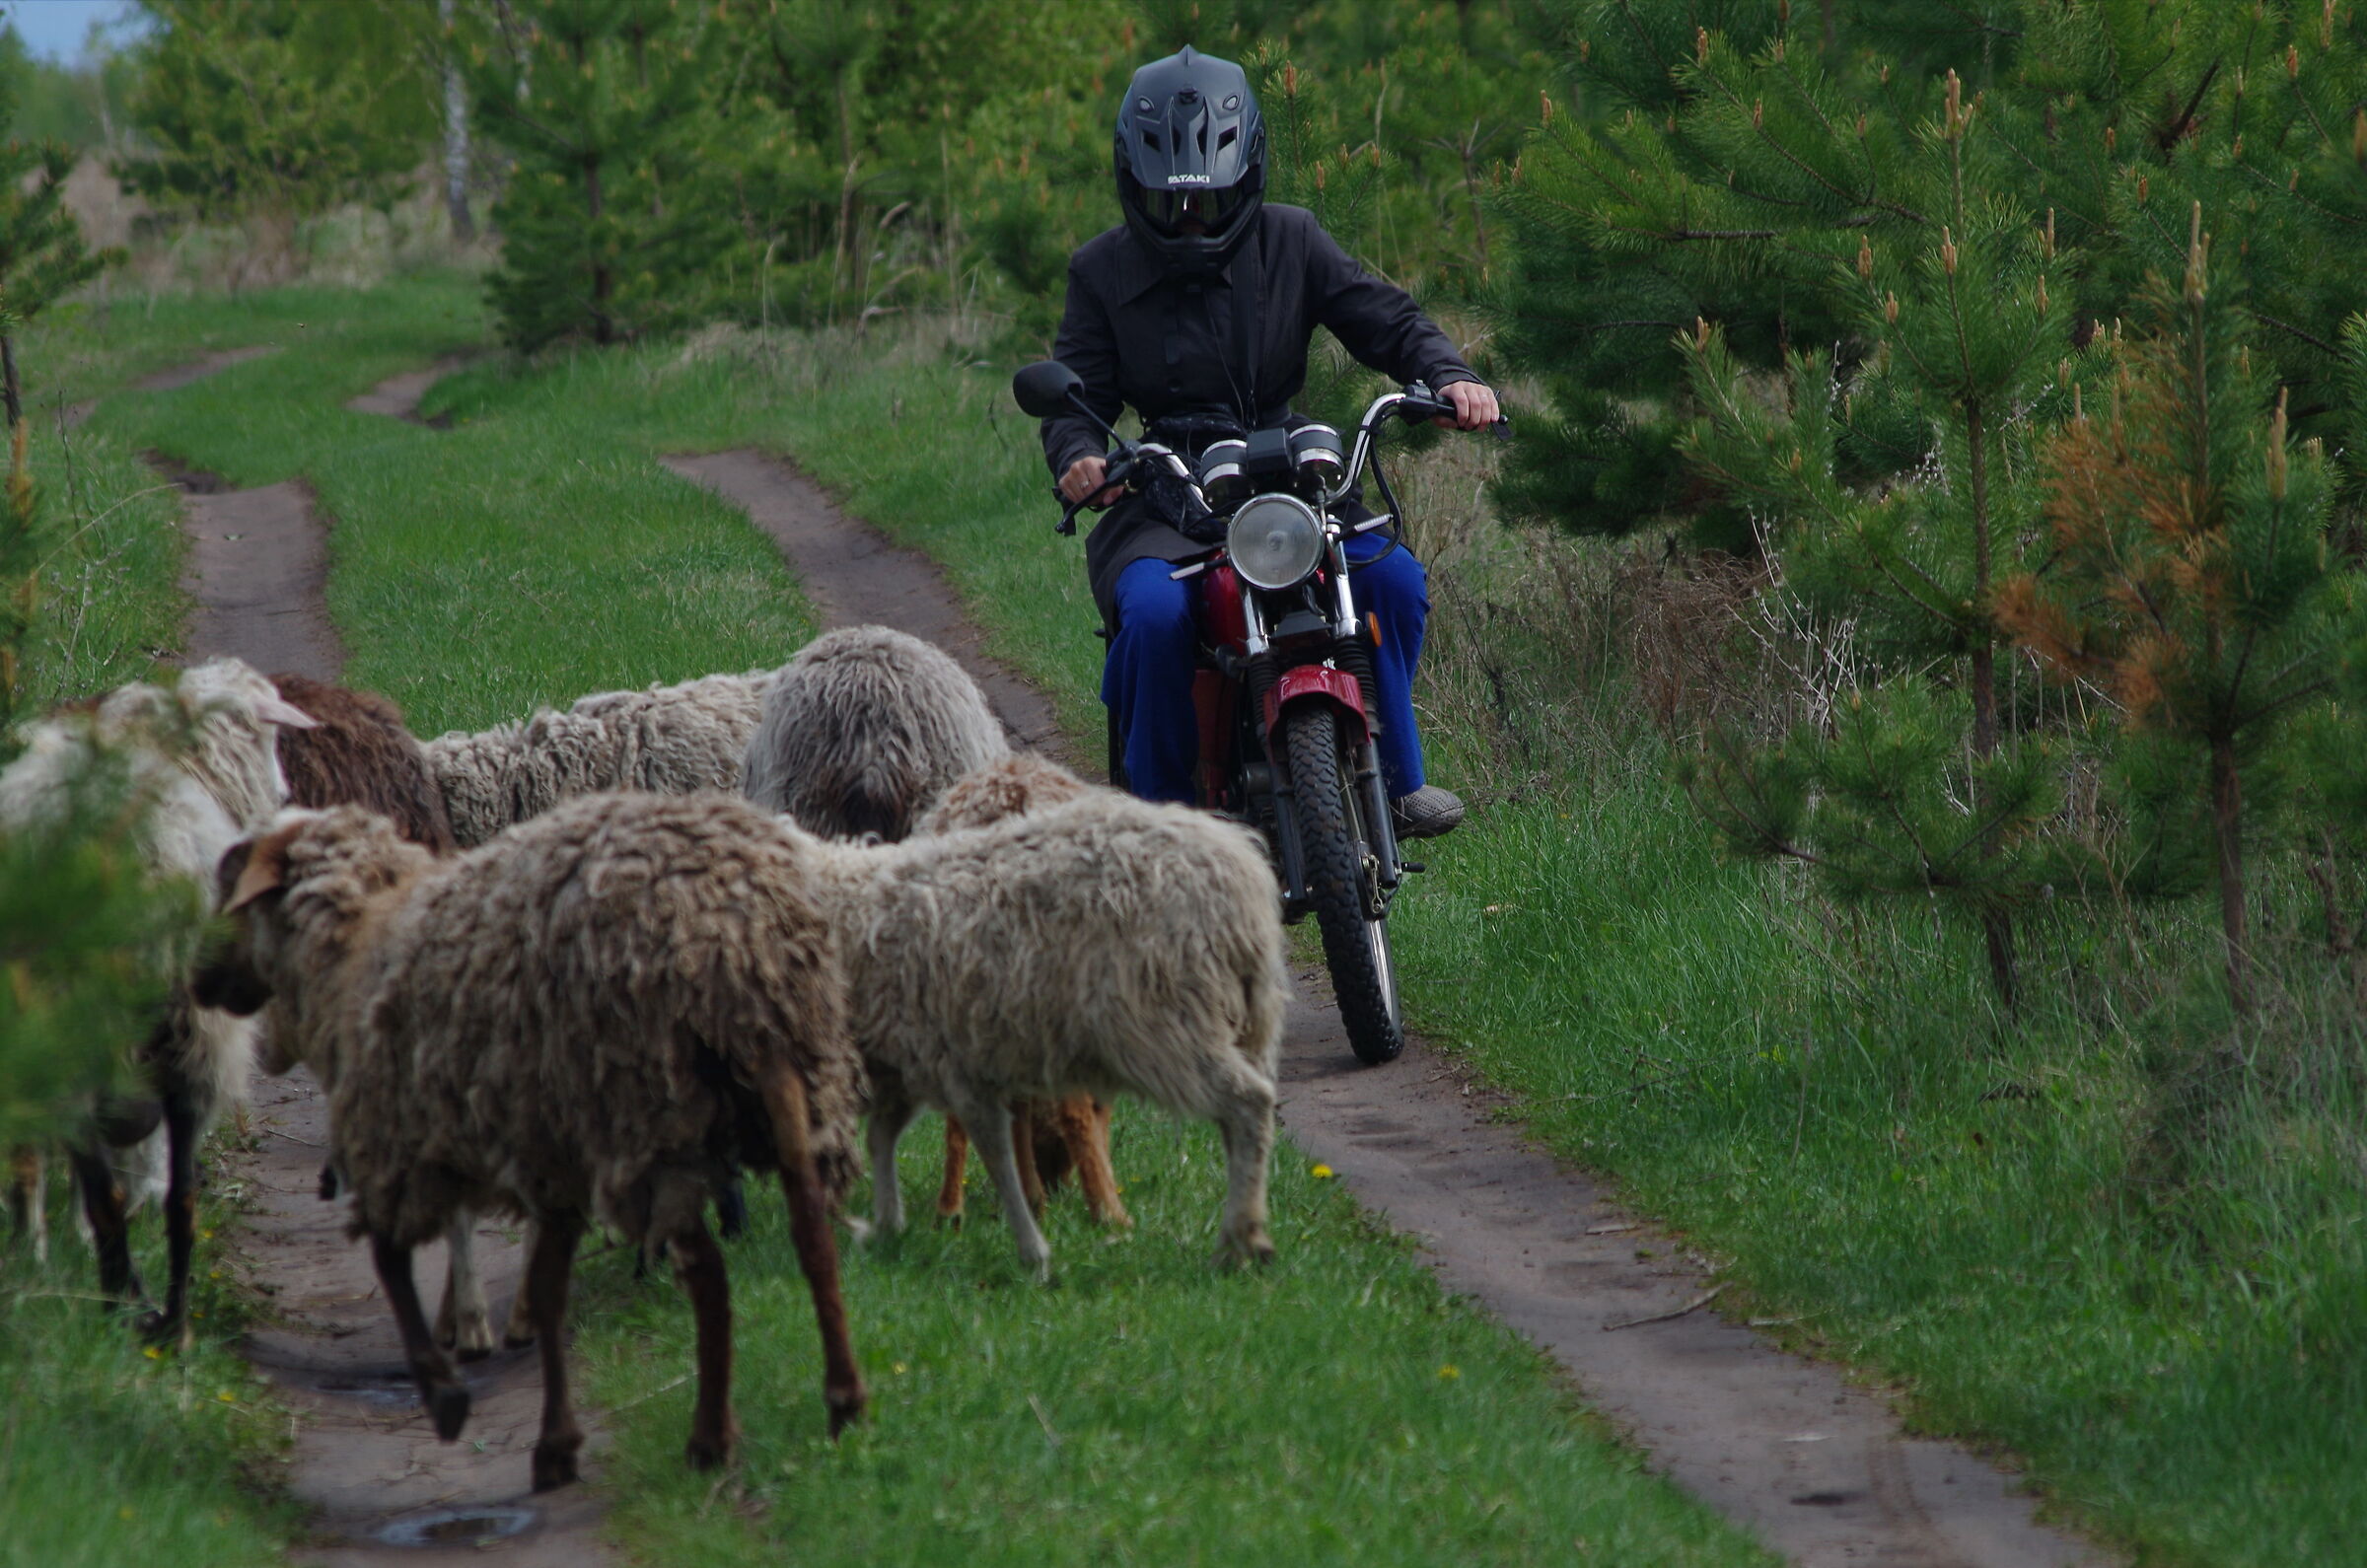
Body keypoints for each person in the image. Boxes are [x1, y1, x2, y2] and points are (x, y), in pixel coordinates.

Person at [1039, 45, 1499, 840]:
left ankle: (1397, 784)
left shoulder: (1294, 239)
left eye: (1210, 202)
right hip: (1166, 490)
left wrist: (1448, 375)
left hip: (1287, 474)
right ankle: (1161, 826)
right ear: (1132, 183)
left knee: (1392, 580)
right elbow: (1074, 394)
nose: (1190, 219)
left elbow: (1386, 319)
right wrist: (1081, 458)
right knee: (1151, 613)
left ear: (1247, 174)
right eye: (1169, 203)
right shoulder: (1100, 270)